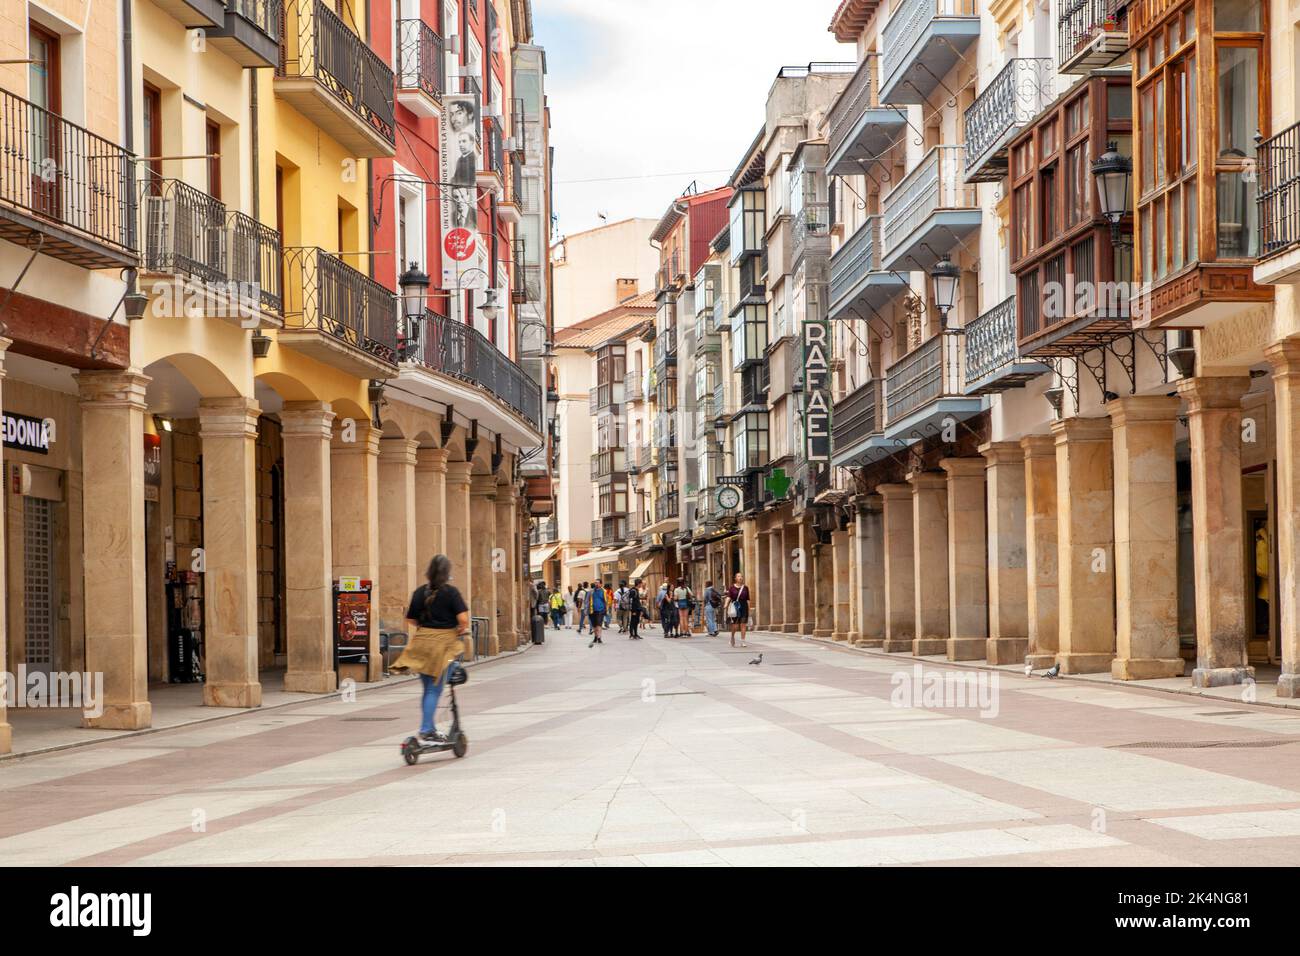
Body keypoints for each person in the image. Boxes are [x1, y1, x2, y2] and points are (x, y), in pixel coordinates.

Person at [395, 555, 469, 744]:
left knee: (428, 688)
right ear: (447, 573)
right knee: (434, 690)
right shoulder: (451, 593)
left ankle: (428, 726)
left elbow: (410, 619)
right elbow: (463, 620)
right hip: (442, 645)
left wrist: (424, 624)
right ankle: (427, 729)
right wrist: (460, 630)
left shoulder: (420, 592)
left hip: (421, 644)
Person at [724, 573, 751, 648]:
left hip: (744, 607)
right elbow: (729, 597)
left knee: (743, 624)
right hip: (735, 607)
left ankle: (743, 641)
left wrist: (749, 609)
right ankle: (732, 637)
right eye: (739, 576)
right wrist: (726, 604)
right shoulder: (732, 588)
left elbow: (748, 599)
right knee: (735, 626)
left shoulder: (745, 588)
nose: (740, 578)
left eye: (741, 576)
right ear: (735, 578)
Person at [586, 581, 607, 647]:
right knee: (594, 625)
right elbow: (586, 601)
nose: (596, 584)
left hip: (600, 610)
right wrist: (586, 610)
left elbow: (606, 601)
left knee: (599, 624)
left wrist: (606, 610)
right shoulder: (591, 591)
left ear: (601, 584)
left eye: (597, 583)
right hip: (592, 610)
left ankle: (599, 638)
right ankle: (595, 637)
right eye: (595, 583)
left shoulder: (604, 591)